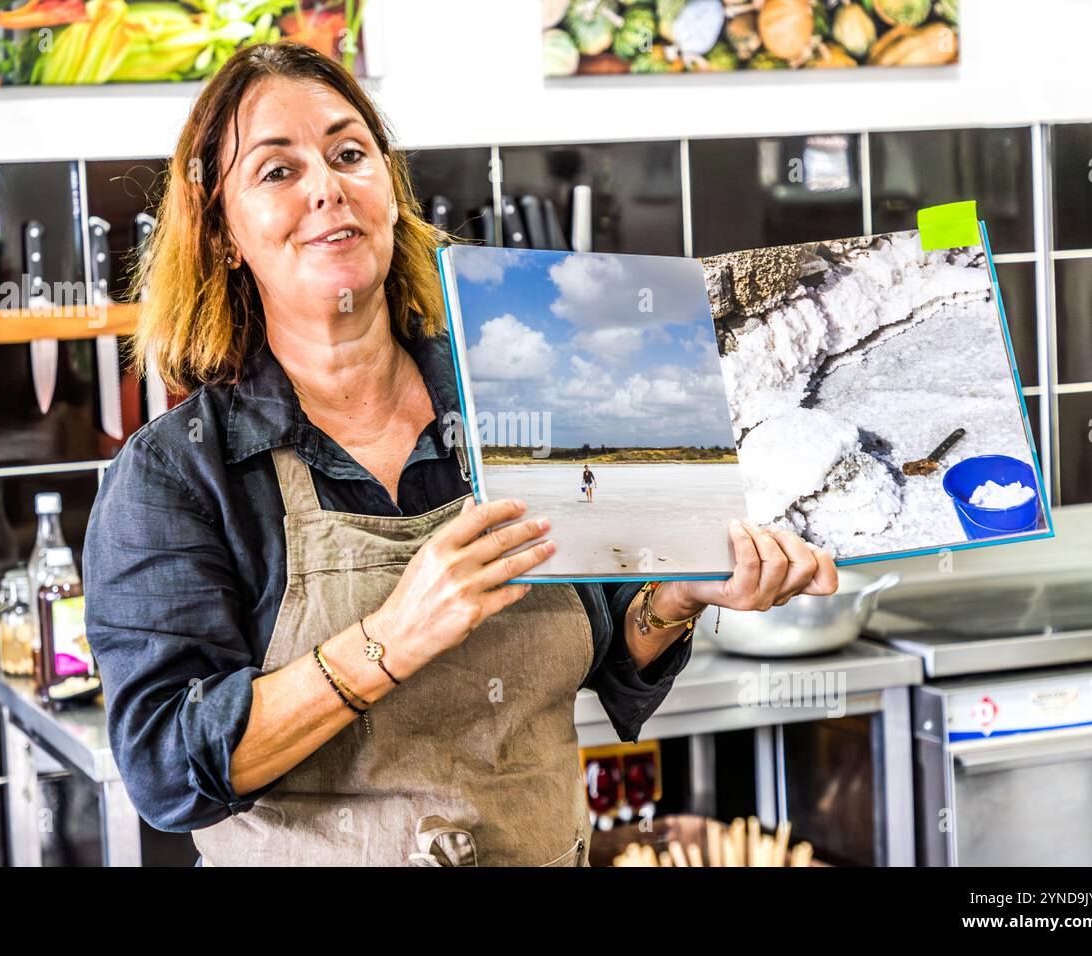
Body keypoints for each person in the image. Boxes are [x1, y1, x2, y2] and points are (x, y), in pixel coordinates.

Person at [82, 41, 838, 867]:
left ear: (388, 192)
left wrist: (681, 592)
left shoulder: (523, 392)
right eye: (276, 172)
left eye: (348, 153)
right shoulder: (178, 474)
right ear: (224, 233)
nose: (327, 187)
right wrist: (391, 642)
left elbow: (615, 643)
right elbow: (165, 767)